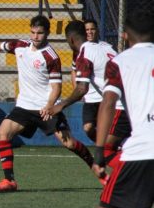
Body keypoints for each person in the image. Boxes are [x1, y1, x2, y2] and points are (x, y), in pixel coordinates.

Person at [0, 15, 94, 193]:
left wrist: (49, 105)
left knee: (69, 144)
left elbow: (57, 87)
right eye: (33, 32)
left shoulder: (51, 56)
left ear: (47, 33)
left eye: (39, 33)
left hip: (44, 107)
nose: (35, 36)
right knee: (3, 133)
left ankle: (97, 169)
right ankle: (9, 181)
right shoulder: (20, 46)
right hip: (24, 106)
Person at [46, 21, 131, 175]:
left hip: (121, 105)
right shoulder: (105, 47)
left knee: (105, 150)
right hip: (133, 101)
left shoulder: (84, 54)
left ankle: (136, 176)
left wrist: (60, 106)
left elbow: (81, 88)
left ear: (70, 40)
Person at [91, 10, 154, 208]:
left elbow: (108, 103)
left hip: (142, 149)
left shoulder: (120, 62)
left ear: (125, 35)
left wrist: (99, 150)